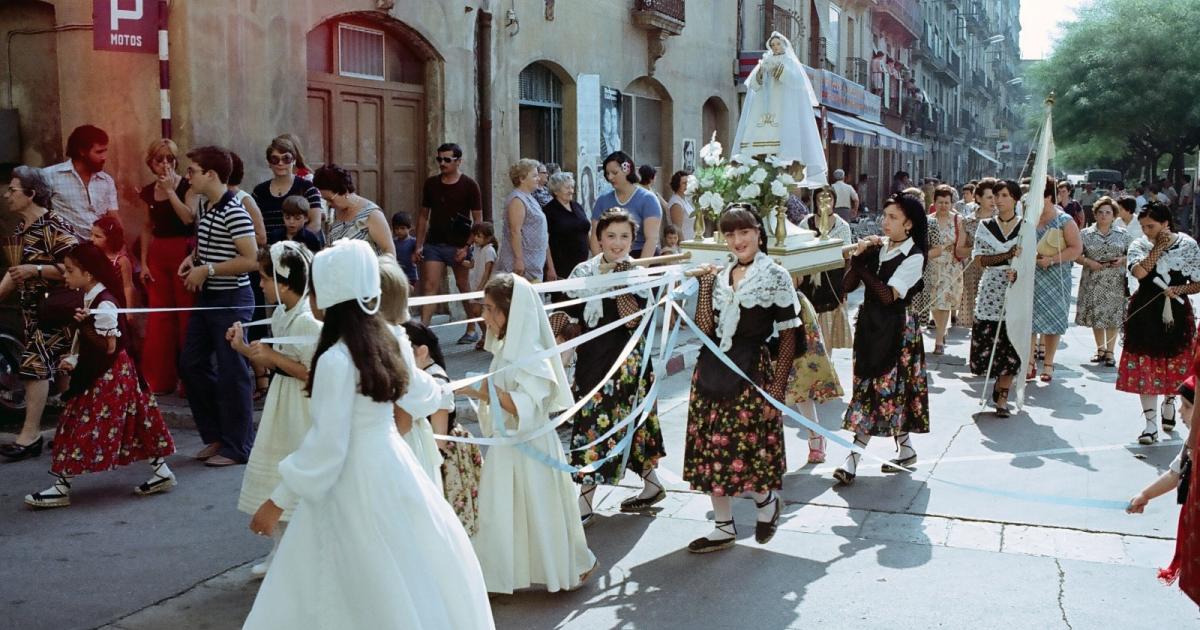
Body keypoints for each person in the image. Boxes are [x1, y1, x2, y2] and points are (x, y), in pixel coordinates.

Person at [242, 239, 493, 630]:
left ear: (329, 297)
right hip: (395, 469)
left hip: (349, 484)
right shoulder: (392, 341)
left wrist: (278, 500)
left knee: (345, 584)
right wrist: (446, 385)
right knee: (407, 571)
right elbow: (424, 395)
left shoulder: (335, 360)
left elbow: (326, 448)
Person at [458, 273, 598, 592]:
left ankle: (561, 569)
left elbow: (526, 407)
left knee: (538, 512)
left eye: (490, 308)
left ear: (510, 311)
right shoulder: (507, 349)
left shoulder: (530, 354)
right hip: (509, 444)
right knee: (503, 511)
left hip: (531, 446)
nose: (483, 315)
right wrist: (475, 390)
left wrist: (483, 389)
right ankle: (497, 576)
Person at [684, 205, 801, 553]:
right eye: (730, 234)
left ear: (758, 233)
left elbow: (789, 336)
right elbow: (705, 329)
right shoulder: (721, 273)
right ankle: (723, 526)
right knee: (711, 447)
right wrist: (705, 285)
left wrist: (776, 388)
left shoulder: (776, 275)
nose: (738, 240)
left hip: (751, 370)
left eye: (744, 232)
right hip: (712, 367)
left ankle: (766, 502)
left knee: (746, 448)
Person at [22, 242, 176, 508]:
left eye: (70, 271)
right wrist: (75, 356)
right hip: (116, 371)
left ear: (88, 274)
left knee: (76, 424)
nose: (66, 276)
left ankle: (61, 487)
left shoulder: (103, 304)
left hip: (108, 374)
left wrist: (84, 327)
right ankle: (162, 472)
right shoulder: (91, 296)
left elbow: (109, 346)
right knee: (138, 419)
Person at [565, 209, 666, 526]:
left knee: (627, 426)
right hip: (592, 362)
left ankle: (585, 504)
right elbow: (569, 317)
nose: (617, 243)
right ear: (598, 238)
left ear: (633, 240)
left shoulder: (636, 275)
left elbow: (634, 321)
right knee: (593, 427)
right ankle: (650, 486)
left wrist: (620, 279)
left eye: (625, 236)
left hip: (628, 366)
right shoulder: (583, 272)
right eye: (610, 236)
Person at [230, 242, 319, 577]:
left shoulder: (307, 322)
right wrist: (242, 348)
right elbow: (273, 361)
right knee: (275, 476)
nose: (261, 284)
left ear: (284, 282)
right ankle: (279, 550)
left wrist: (273, 357)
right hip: (281, 405)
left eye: (265, 278)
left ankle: (296, 554)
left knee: (294, 478)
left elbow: (314, 373)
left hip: (301, 408)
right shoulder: (282, 313)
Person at [833, 194, 929, 484]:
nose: (885, 222)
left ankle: (852, 458)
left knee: (884, 391)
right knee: (873, 389)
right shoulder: (880, 248)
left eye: (893, 217)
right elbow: (847, 286)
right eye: (884, 216)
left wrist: (864, 268)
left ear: (909, 224)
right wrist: (858, 258)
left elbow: (888, 295)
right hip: (870, 326)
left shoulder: (915, 256)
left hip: (896, 329)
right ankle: (907, 449)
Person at [178, 146, 259, 467]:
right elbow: (208, 244)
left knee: (232, 372)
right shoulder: (205, 205)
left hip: (232, 301)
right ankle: (217, 435)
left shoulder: (235, 211)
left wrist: (207, 270)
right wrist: (193, 259)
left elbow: (251, 260)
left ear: (210, 174)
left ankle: (238, 447)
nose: (187, 177)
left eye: (192, 171)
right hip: (208, 299)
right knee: (191, 363)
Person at [0, 166, 80, 461]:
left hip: (57, 310)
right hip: (34, 313)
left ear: (31, 194)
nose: (6, 195)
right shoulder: (21, 230)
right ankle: (72, 430)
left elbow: (76, 267)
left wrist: (35, 269)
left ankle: (29, 435)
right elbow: (14, 273)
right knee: (62, 371)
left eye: (13, 190)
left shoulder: (54, 225)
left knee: (35, 366)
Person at [1119, 202, 1200, 445]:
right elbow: (1140, 273)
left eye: (1151, 226)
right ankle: (1150, 424)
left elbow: (1198, 282)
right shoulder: (1139, 245)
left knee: (1175, 362)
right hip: (1145, 312)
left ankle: (1170, 401)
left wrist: (1180, 289)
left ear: (1165, 224)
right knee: (1146, 364)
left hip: (1176, 310)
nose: (1146, 231)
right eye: (1143, 226)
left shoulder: (1188, 245)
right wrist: (1158, 247)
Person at [403, 319, 485, 536]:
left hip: (444, 458)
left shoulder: (436, 381)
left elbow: (439, 440)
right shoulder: (424, 376)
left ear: (422, 351)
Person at [379, 255, 447, 491]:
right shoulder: (395, 338)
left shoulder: (392, 342)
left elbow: (403, 416)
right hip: (402, 440)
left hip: (400, 442)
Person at [138, 138, 196, 395]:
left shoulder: (187, 186)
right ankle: (159, 379)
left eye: (170, 158)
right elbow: (147, 227)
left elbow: (188, 218)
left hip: (182, 250)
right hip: (158, 252)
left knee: (186, 315)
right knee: (159, 317)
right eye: (159, 159)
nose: (165, 164)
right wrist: (143, 262)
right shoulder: (148, 191)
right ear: (151, 163)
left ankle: (189, 380)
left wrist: (171, 191)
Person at [732, 32, 827, 186]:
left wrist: (778, 69)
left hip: (783, 106)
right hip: (763, 106)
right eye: (773, 45)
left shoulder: (790, 62)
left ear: (783, 45)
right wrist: (761, 71)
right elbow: (753, 84)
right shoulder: (765, 60)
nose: (775, 47)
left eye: (777, 44)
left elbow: (796, 81)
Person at [968, 180, 1025, 417]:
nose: (998, 200)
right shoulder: (986, 226)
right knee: (990, 340)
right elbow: (979, 259)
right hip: (991, 289)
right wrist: (1006, 255)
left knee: (1012, 344)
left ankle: (1003, 396)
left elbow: (1031, 259)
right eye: (995, 196)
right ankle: (995, 382)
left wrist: (1018, 270)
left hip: (1016, 290)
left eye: (1004, 195)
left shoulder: (1025, 227)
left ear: (1015, 199)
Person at [415, 143, 483, 325]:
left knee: (463, 286)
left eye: (447, 159)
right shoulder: (431, 184)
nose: (442, 163)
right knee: (429, 286)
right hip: (434, 244)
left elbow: (478, 220)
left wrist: (467, 246)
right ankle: (423, 330)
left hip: (458, 245)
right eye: (439, 159)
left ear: (458, 161)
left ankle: (474, 327)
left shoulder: (470, 185)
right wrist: (419, 245)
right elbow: (423, 216)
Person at [1030, 176, 1083, 382]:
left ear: (1049, 197)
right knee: (1029, 320)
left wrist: (1051, 260)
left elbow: (1076, 249)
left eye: (1039, 196)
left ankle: (1048, 363)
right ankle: (1029, 362)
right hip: (1031, 276)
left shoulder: (1064, 221)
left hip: (1055, 277)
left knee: (1053, 320)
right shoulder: (1028, 219)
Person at [1075, 196, 1130, 367]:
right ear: (1095, 214)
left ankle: (1110, 352)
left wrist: (1122, 260)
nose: (1104, 215)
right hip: (1093, 278)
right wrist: (1088, 262)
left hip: (1115, 280)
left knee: (1113, 316)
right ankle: (1100, 349)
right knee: (1097, 314)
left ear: (1114, 215)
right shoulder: (1085, 234)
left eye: (1108, 212)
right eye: (1101, 212)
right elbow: (1075, 254)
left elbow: (1133, 254)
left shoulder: (1123, 234)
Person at [798, 187, 853, 350]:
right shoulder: (805, 224)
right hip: (809, 281)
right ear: (815, 201)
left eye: (829, 198)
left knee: (827, 331)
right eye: (820, 198)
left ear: (834, 201)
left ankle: (826, 359)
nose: (825, 202)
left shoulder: (842, 226)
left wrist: (845, 286)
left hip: (832, 282)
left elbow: (847, 258)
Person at [43, 124, 118, 237]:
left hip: (99, 244)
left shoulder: (106, 180)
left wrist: (121, 244)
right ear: (82, 151)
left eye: (105, 151)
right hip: (68, 245)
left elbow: (114, 218)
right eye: (99, 152)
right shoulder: (50, 176)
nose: (104, 157)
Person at [250, 135, 324, 242]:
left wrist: (291, 244)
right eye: (275, 159)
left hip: (300, 248)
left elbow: (315, 224)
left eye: (286, 159)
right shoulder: (259, 191)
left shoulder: (307, 188)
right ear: (269, 163)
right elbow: (252, 225)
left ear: (294, 160)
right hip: (268, 249)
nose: (280, 163)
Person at [590, 151, 662, 258]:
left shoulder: (648, 199)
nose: (610, 177)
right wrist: (600, 263)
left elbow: (651, 239)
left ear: (627, 169)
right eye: (607, 174)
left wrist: (640, 267)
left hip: (642, 256)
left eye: (614, 173)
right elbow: (595, 237)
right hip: (610, 257)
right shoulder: (602, 201)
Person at [315, 164, 394, 256]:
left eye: (330, 200)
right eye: (325, 200)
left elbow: (389, 252)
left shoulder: (372, 215)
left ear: (344, 191)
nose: (328, 204)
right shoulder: (335, 211)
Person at [496, 158, 551, 282]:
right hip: (523, 264)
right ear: (522, 178)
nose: (538, 179)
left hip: (534, 262)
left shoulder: (529, 197)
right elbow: (515, 231)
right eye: (534, 176)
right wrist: (519, 259)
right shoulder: (517, 199)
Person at [926, 185, 966, 355]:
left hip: (951, 265)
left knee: (945, 302)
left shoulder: (958, 220)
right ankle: (941, 330)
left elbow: (961, 244)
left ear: (951, 203)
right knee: (934, 303)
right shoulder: (928, 220)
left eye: (947, 202)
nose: (943, 206)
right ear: (934, 202)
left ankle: (939, 340)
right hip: (931, 266)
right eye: (940, 202)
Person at [544, 171, 592, 287]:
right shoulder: (549, 211)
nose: (571, 191)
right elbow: (545, 242)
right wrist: (550, 268)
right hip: (561, 266)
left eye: (572, 187)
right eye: (567, 188)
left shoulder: (577, 206)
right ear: (556, 191)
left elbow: (586, 231)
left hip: (582, 265)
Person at [90, 215, 138, 318]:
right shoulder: (92, 257)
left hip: (114, 303)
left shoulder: (121, 261)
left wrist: (129, 311)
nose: (92, 239)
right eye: (91, 235)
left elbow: (128, 286)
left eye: (97, 236)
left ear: (111, 239)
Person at [461, 222, 497, 348]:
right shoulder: (476, 249)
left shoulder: (489, 251)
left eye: (479, 236)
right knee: (476, 311)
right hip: (476, 285)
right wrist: (460, 261)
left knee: (483, 312)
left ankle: (489, 336)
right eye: (475, 235)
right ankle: (486, 334)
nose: (475, 238)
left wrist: (480, 289)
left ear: (488, 238)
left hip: (485, 287)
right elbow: (472, 264)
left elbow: (487, 272)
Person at [667, 170, 696, 242]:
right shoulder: (676, 203)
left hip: (691, 241)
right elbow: (677, 230)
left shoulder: (684, 200)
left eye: (688, 183)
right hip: (685, 243)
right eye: (684, 183)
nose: (687, 185)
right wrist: (683, 245)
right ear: (677, 185)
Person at [392, 212, 419, 287]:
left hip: (411, 275)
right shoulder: (393, 243)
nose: (399, 231)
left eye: (402, 228)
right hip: (397, 274)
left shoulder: (414, 242)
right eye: (396, 228)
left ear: (409, 228)